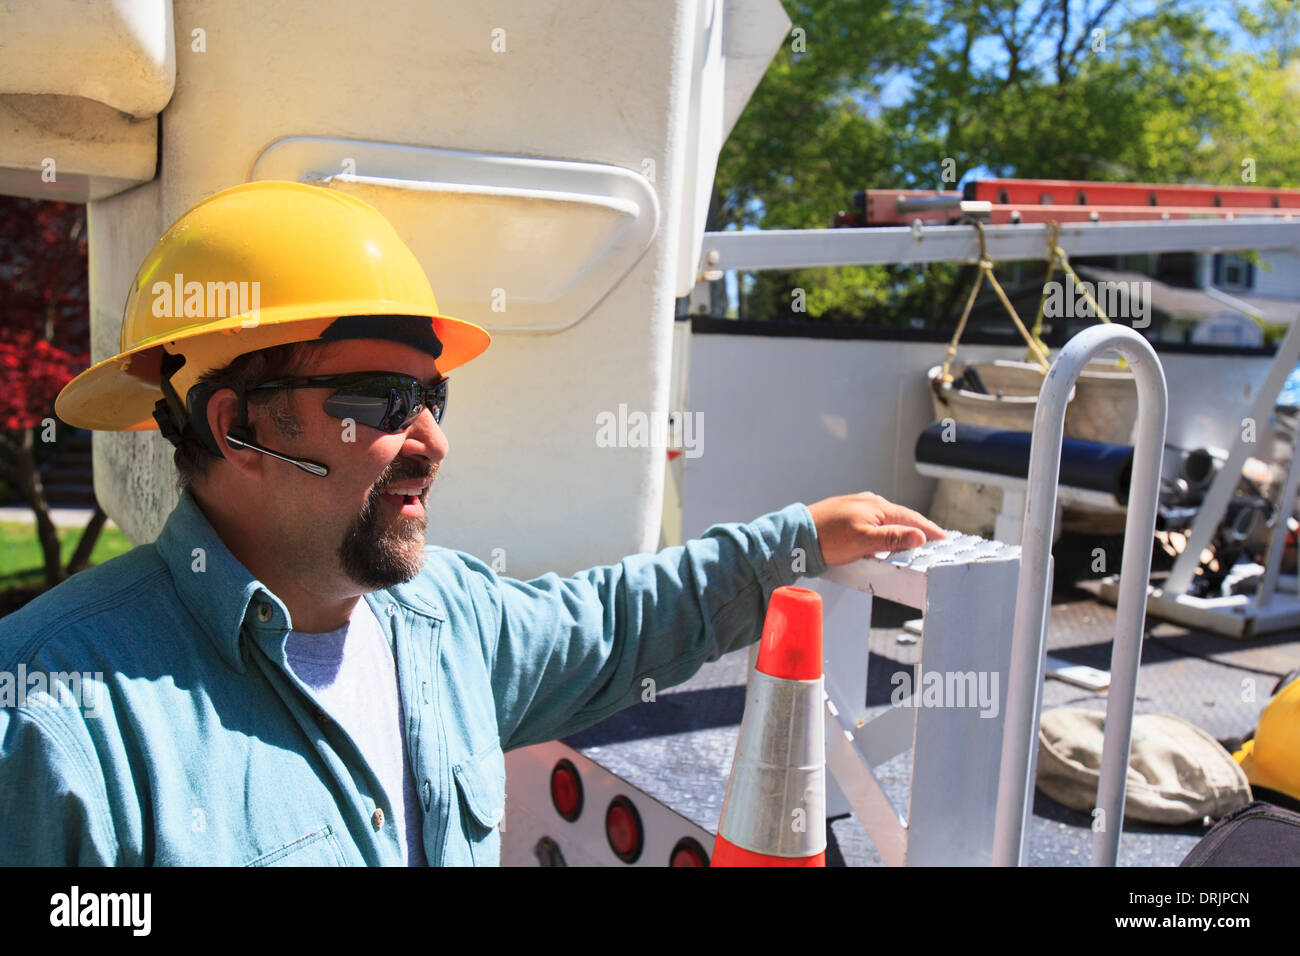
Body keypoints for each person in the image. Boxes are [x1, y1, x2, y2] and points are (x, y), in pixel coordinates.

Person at [0, 181, 943, 866]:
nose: (431, 442)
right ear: (239, 426)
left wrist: (802, 537)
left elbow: (618, 623)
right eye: (378, 400)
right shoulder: (53, 718)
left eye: (433, 396)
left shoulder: (449, 621)